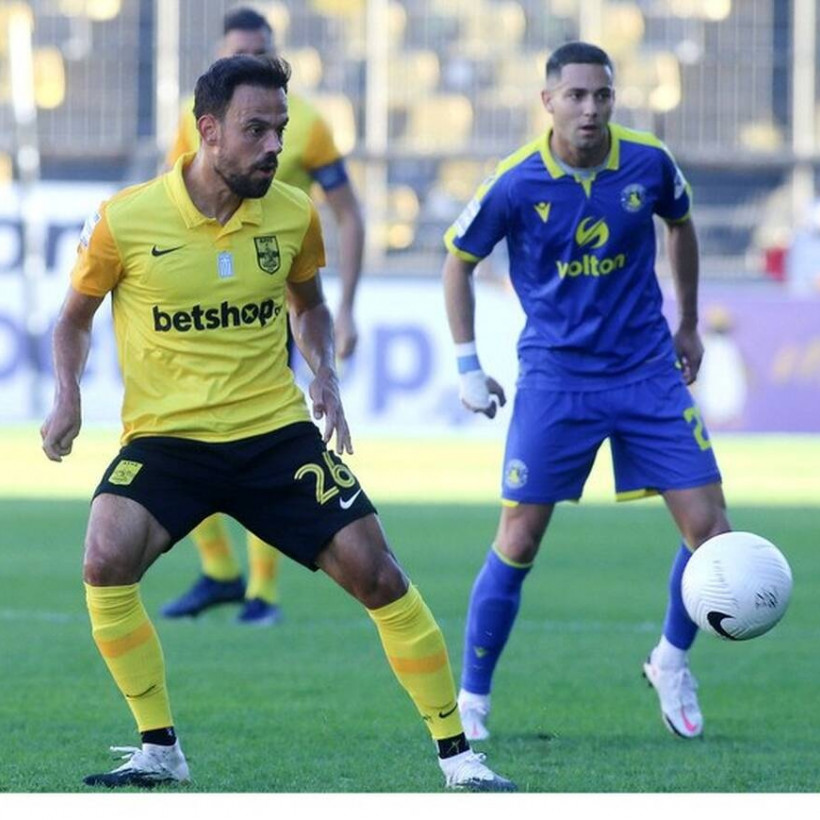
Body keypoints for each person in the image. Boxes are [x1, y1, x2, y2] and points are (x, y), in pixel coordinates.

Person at [40, 54, 514, 792]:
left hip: (273, 437)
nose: (273, 147)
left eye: (280, 130)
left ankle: (460, 758)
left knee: (379, 574)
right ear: (208, 131)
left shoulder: (292, 213)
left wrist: (323, 372)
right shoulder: (126, 219)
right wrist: (67, 394)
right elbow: (73, 319)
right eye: (255, 130)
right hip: (168, 442)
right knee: (104, 559)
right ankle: (159, 748)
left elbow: (309, 306)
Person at [441, 41, 732, 742]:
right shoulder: (515, 182)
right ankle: (471, 700)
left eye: (602, 95)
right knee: (519, 538)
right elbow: (458, 261)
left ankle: (670, 660)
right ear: (548, 101)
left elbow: (681, 224)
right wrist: (467, 365)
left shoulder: (648, 161)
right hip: (557, 377)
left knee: (711, 533)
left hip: (646, 371)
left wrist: (689, 323)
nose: (590, 108)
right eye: (575, 95)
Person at [161, 6, 365, 626]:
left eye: (259, 50)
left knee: (258, 439)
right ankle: (221, 572)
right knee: (177, 434)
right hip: (198, 311)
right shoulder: (193, 122)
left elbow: (348, 213)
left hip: (268, 309)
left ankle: (264, 592)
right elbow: (171, 202)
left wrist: (346, 307)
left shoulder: (307, 125)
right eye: (238, 52)